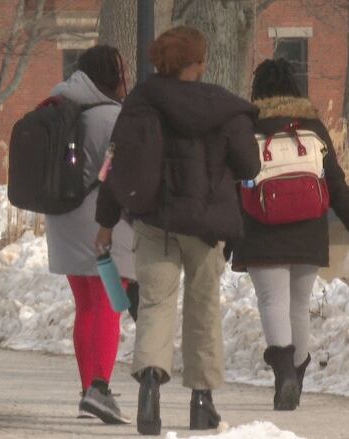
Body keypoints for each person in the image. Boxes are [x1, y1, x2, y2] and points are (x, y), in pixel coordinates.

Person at [95, 26, 261, 436]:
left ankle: (150, 389)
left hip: (155, 223)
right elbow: (250, 167)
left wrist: (105, 222)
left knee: (155, 304)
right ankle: (202, 402)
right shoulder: (224, 107)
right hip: (207, 226)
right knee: (203, 310)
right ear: (199, 64)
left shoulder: (139, 103)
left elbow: (115, 164)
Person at [231, 59, 349, 411]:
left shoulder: (247, 126)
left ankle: (285, 373)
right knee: (298, 306)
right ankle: (297, 376)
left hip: (261, 229)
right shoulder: (313, 127)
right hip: (308, 230)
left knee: (273, 301)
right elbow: (337, 186)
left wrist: (226, 233)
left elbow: (231, 183)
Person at [44, 44, 132, 425]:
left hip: (63, 222)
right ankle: (99, 388)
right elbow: (119, 173)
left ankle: (88, 390)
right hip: (103, 228)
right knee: (110, 306)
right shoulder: (113, 118)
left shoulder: (58, 106)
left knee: (86, 307)